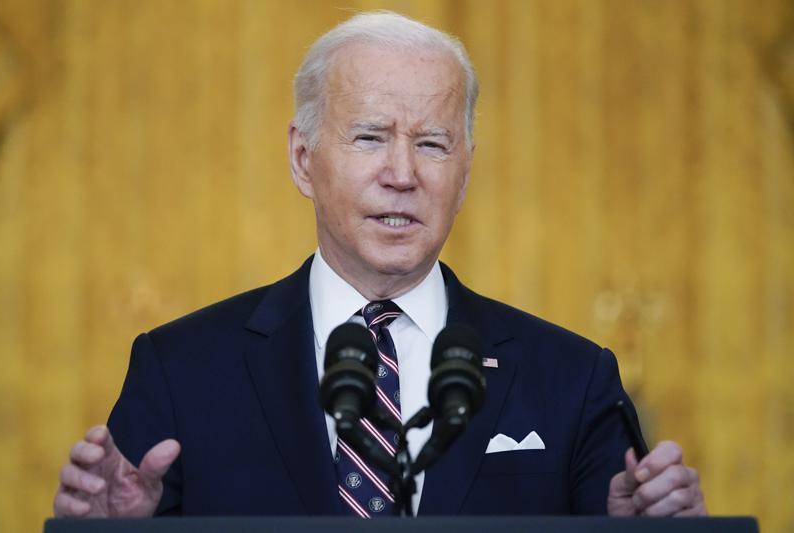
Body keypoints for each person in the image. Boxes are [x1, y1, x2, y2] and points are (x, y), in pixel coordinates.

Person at [53, 11, 706, 519]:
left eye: (431, 143)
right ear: (303, 158)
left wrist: (643, 531)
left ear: (466, 171)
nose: (402, 174)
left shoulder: (572, 377)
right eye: (370, 137)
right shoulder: (180, 369)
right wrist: (117, 531)